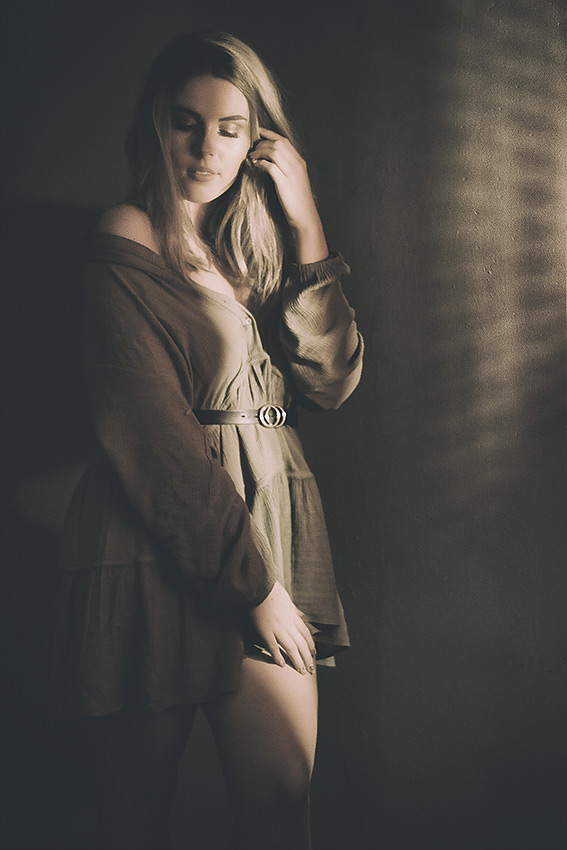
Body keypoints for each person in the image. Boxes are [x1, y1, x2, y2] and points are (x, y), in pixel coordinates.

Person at [49, 31, 363, 850]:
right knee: (133, 818)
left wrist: (304, 219)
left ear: (257, 139)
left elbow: (330, 380)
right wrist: (255, 591)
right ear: (153, 123)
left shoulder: (243, 250)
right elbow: (151, 439)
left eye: (229, 128)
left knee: (280, 801)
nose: (205, 148)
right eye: (185, 122)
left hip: (263, 529)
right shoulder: (126, 235)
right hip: (148, 544)